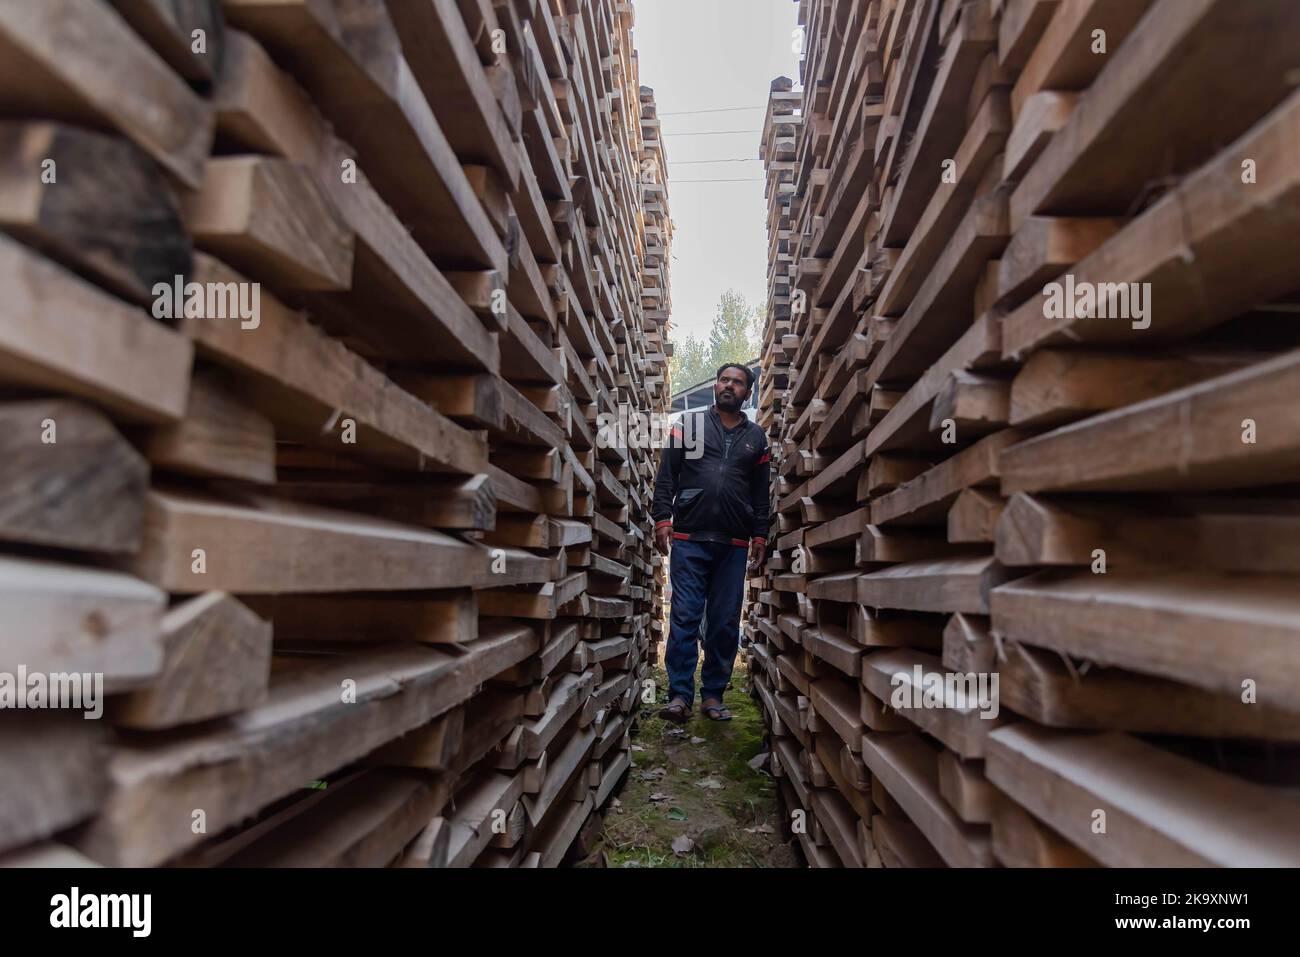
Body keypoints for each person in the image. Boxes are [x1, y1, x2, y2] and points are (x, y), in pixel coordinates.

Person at [651, 363, 770, 722]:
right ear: (716, 386)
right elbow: (666, 476)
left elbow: (760, 494)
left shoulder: (756, 438)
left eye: (737, 382)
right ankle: (679, 696)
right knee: (685, 617)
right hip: (690, 537)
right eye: (724, 380)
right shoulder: (687, 425)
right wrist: (662, 518)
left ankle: (713, 695)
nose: (729, 386)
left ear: (747, 393)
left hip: (734, 542)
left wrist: (760, 533)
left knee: (723, 621)